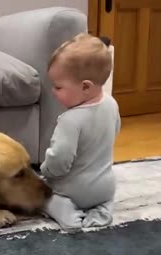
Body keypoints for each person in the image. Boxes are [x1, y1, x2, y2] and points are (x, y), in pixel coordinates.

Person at [40, 33, 121, 231]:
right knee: (102, 195)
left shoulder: (70, 120)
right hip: (105, 187)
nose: (53, 91)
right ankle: (102, 209)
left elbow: (60, 159)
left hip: (73, 191)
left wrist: (46, 170)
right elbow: (115, 131)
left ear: (85, 86)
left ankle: (65, 211)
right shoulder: (112, 104)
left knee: (39, 193)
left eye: (58, 87)